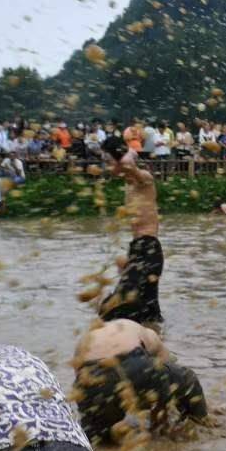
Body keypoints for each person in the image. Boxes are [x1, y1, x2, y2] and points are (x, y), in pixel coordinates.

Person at [70, 318, 208, 442]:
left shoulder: (90, 336)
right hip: (134, 363)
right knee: (187, 379)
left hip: (92, 377)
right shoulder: (149, 333)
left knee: (97, 438)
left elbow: (80, 382)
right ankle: (200, 423)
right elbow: (166, 372)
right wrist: (159, 410)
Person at [98, 137, 164, 328]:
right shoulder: (129, 184)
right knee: (148, 315)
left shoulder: (143, 179)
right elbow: (125, 165)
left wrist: (128, 153)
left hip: (148, 249)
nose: (108, 167)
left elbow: (128, 164)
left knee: (114, 309)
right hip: (138, 248)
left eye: (109, 162)